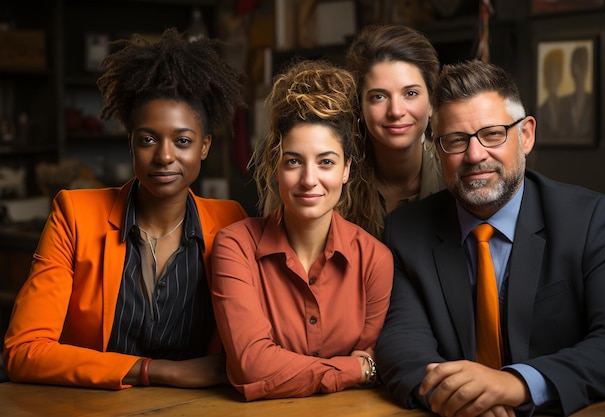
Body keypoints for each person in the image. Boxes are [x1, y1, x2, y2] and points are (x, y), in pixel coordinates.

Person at [375, 59, 605, 416]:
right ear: (437, 149)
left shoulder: (592, 220)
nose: (475, 155)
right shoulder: (406, 231)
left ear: (525, 135)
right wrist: (461, 398)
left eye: (493, 134)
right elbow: (401, 343)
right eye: (456, 141)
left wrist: (516, 384)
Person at [2, 28, 248, 389]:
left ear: (205, 146)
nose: (165, 156)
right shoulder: (74, 216)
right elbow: (23, 351)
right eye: (148, 139)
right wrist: (155, 370)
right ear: (131, 144)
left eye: (182, 141)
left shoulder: (232, 222)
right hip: (91, 411)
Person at [210, 60, 394, 401]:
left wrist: (285, 370)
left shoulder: (375, 260)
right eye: (294, 161)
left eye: (326, 162)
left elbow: (380, 362)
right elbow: (251, 365)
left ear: (346, 170)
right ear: (275, 167)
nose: (309, 180)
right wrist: (354, 370)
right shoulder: (234, 247)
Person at [344, 24, 445, 239]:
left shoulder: (453, 176)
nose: (396, 111)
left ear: (431, 103)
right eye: (379, 96)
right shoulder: (338, 181)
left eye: (410, 93)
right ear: (360, 107)